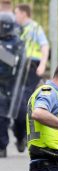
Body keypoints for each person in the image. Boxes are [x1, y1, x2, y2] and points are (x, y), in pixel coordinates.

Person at [8, 3, 49, 154]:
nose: (15, 15)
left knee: (23, 103)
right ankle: (20, 135)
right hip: (16, 67)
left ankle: (22, 135)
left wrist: (43, 65)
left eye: (17, 13)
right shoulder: (15, 28)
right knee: (16, 104)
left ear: (24, 13)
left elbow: (44, 46)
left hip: (31, 67)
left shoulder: (35, 28)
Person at [0, 10, 23, 158]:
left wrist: (1, 52)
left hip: (11, 83)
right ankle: (1, 145)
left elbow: (16, 62)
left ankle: (19, 138)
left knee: (18, 115)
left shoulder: (17, 43)